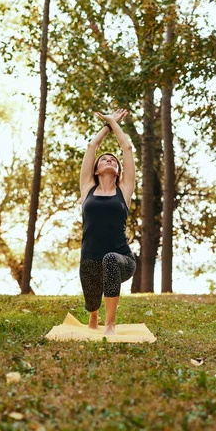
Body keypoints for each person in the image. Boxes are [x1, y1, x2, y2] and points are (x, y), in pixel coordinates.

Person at [79, 107, 137, 335]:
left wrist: (116, 124)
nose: (109, 160)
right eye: (104, 159)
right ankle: (94, 317)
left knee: (110, 260)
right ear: (95, 170)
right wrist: (107, 124)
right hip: (89, 260)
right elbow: (92, 147)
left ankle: (110, 324)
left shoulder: (125, 190)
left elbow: (127, 148)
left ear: (119, 170)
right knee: (91, 304)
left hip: (122, 258)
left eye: (113, 160)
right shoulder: (87, 189)